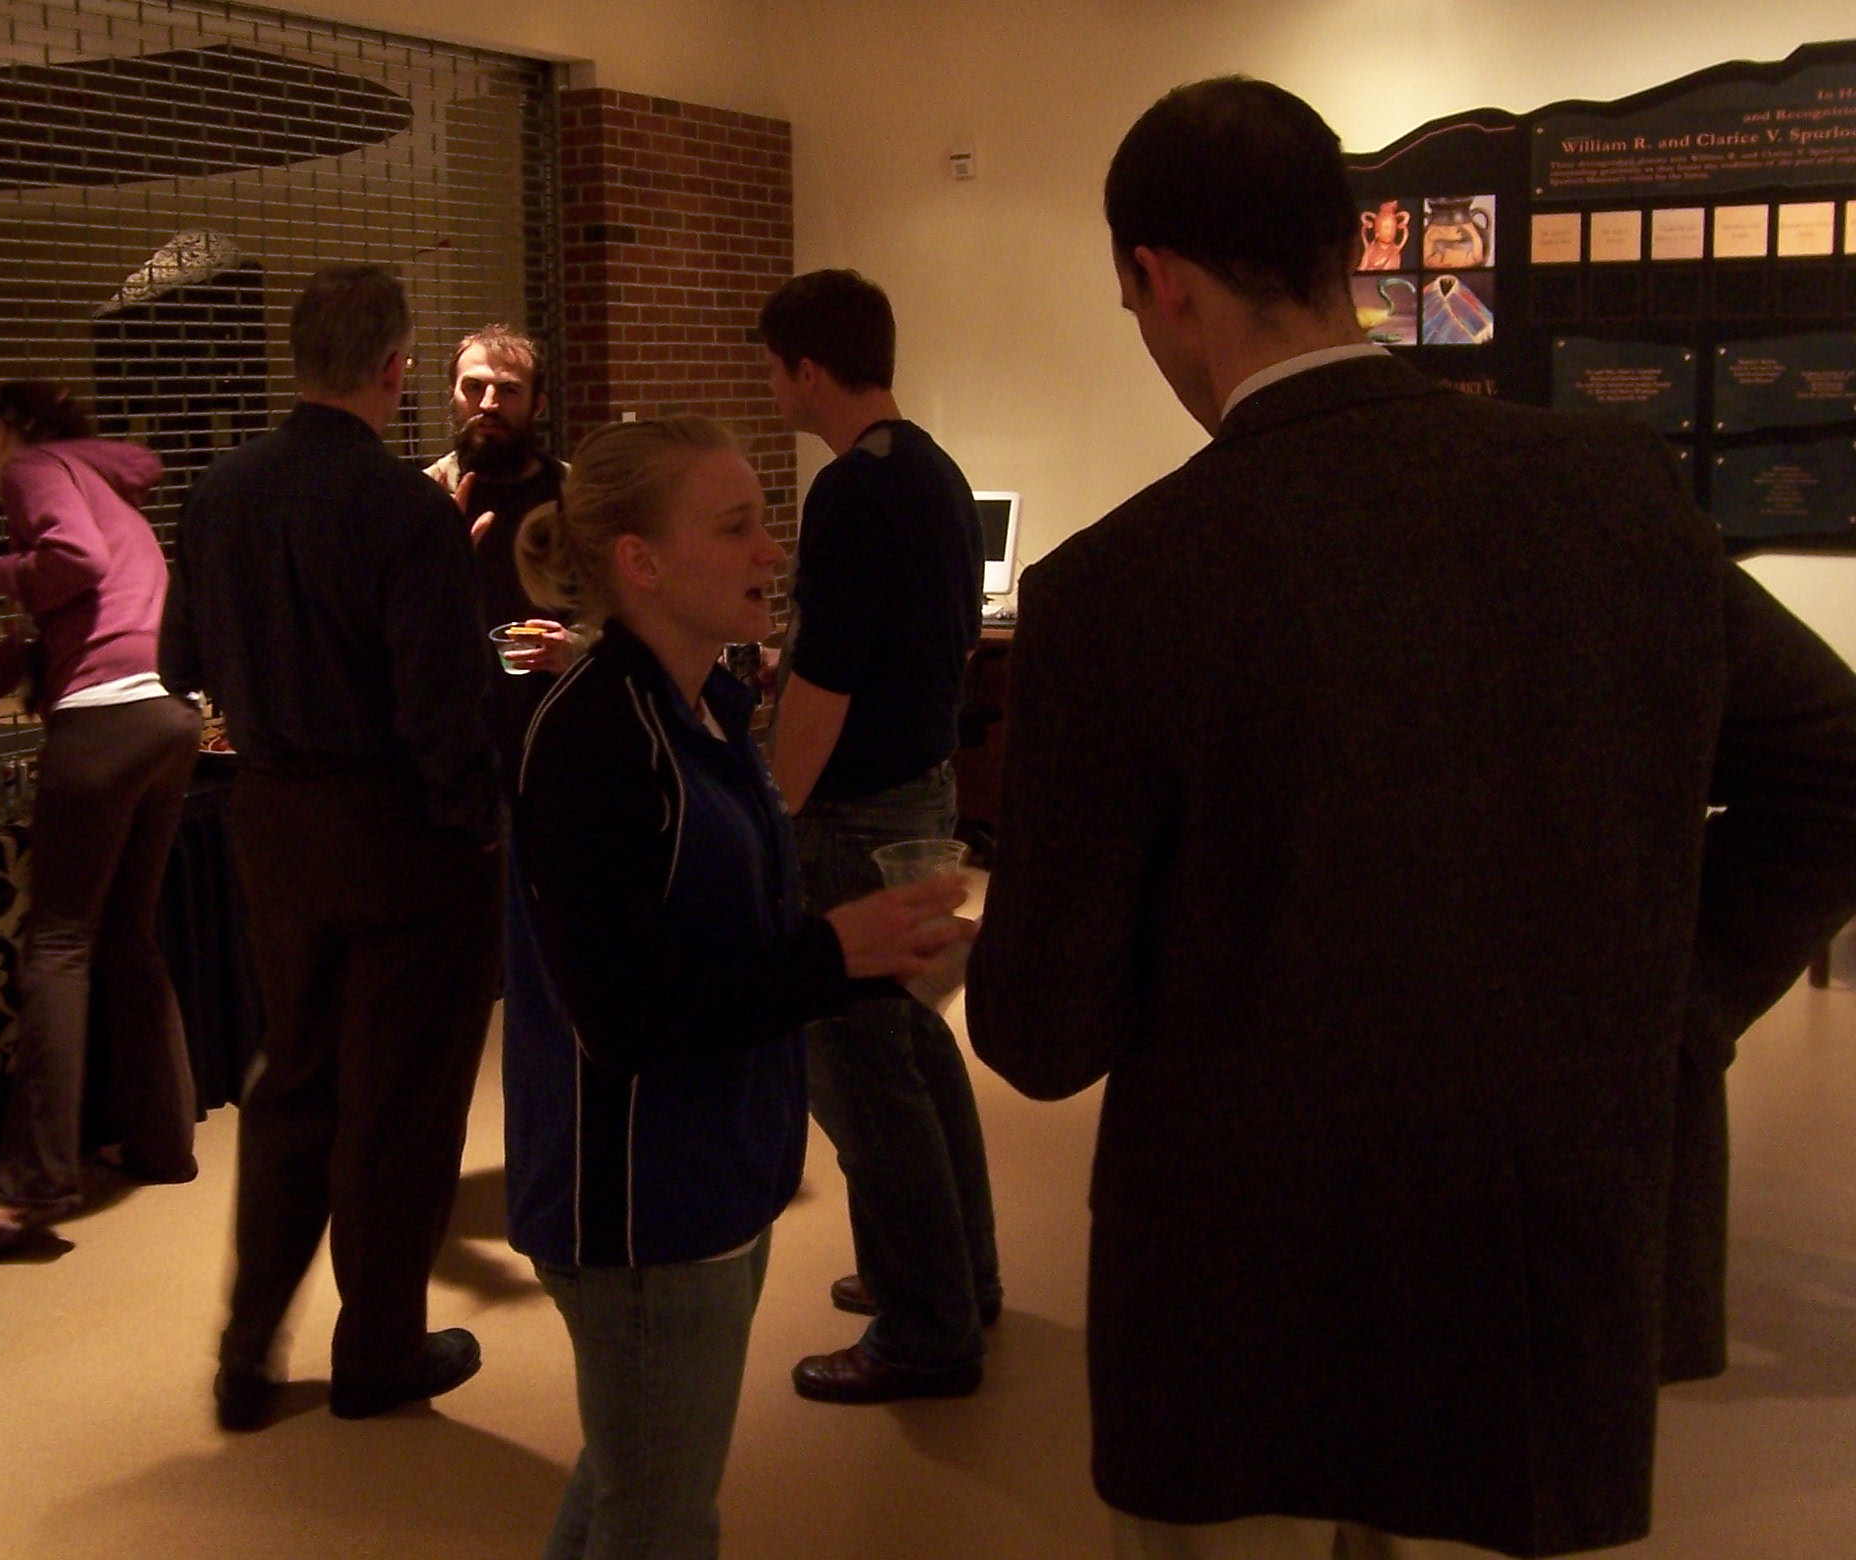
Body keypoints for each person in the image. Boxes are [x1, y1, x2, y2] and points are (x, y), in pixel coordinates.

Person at [967, 75, 1856, 1559]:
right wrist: (1681, 998)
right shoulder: (1612, 494)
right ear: (1356, 252)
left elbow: (1043, 1036)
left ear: (1156, 280)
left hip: (1248, 1253)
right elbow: (1832, 755)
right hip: (1533, 1219)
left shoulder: (1121, 590)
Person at [504, 412, 971, 1559]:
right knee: (659, 1516)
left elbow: (725, 945)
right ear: (640, 563)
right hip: (643, 1207)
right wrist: (833, 955)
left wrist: (857, 954)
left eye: (767, 521)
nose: (774, 552)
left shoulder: (703, 705)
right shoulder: (595, 739)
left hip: (712, 1175)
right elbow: (623, 1017)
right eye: (738, 527)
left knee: (630, 1476)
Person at [159, 265, 501, 1428]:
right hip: (399, 833)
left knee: (294, 1081)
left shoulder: (217, 495)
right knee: (398, 1102)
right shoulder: (407, 508)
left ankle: (248, 1355)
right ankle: (380, 1351)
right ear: (397, 369)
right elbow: (442, 712)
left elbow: (176, 666)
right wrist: (485, 831)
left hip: (272, 827)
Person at [758, 269, 1003, 1403]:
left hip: (855, 815)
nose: (773, 389)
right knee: (913, 1048)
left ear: (808, 368)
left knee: (863, 1076)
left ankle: (924, 1327)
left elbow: (827, 679)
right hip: (923, 794)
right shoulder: (936, 470)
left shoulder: (852, 492)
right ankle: (960, 1277)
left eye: (775, 368)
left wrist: (771, 811)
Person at [0, 378, 202, 1263]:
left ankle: (28, 1193)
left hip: (104, 720)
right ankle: (160, 1142)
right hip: (163, 716)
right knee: (126, 938)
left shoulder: (34, 469)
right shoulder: (104, 483)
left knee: (58, 947)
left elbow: (71, 565)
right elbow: (40, 634)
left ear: (12, 427)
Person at [423, 324, 578, 761]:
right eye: (473, 387)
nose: (488, 405)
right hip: (457, 744)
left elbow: (628, 609)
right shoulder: (423, 498)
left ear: (538, 404)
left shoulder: (579, 495)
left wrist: (578, 647)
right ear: (453, 395)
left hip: (561, 733)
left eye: (508, 391)